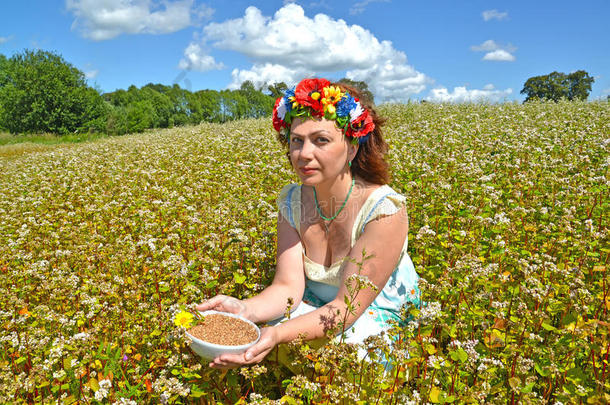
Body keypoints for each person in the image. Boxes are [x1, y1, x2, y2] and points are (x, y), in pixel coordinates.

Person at [196, 77, 420, 369]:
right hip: (318, 305)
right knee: (259, 333)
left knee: (350, 356)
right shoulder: (292, 202)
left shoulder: (384, 211)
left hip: (370, 311)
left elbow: (345, 309)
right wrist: (245, 310)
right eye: (296, 141)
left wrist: (277, 334)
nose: (304, 154)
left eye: (321, 140)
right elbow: (287, 287)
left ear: (352, 147)